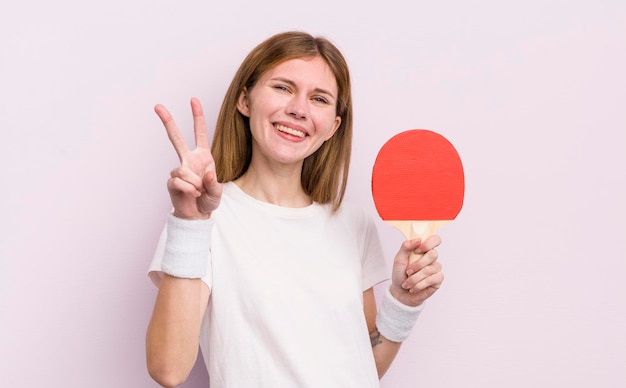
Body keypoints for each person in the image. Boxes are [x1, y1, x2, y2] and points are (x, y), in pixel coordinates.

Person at [146, 31, 444, 388]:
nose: (299, 109)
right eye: (283, 87)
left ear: (333, 126)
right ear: (245, 99)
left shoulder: (353, 223)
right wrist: (191, 222)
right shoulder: (204, 219)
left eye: (319, 98)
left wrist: (402, 302)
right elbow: (168, 369)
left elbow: (363, 365)